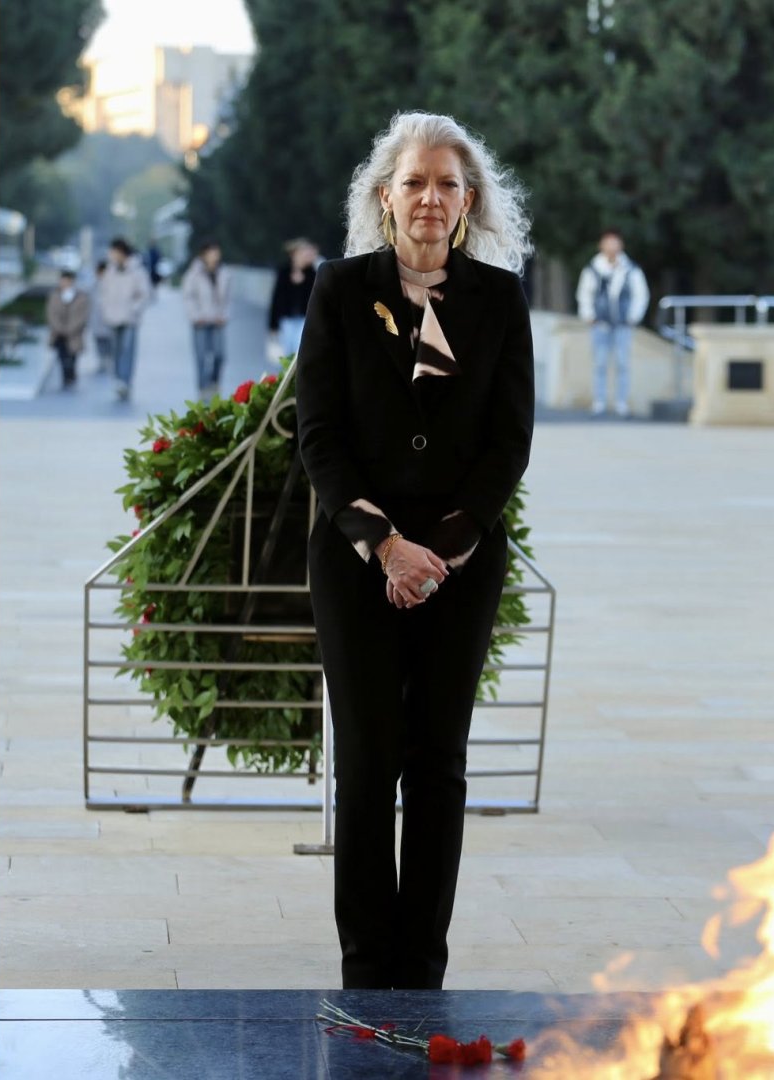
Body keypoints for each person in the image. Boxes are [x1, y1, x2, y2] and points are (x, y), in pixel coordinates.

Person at [295, 111, 534, 990]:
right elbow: (319, 435)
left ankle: (421, 973)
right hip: (357, 557)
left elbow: (508, 442)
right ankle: (366, 971)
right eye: (414, 182)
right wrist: (386, 545)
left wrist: (440, 549)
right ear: (384, 197)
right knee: (366, 762)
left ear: (468, 201)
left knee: (438, 764)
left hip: (459, 562)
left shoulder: (499, 298)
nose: (429, 198)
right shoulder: (338, 289)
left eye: (446, 184)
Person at [575, 229, 649, 417]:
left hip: (623, 324)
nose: (611, 246)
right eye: (608, 242)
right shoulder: (593, 268)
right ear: (601, 245)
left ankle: (621, 402)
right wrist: (588, 315)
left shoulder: (631, 269)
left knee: (623, 363)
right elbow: (584, 293)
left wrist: (633, 317)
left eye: (614, 242)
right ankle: (599, 401)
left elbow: (641, 295)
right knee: (599, 363)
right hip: (600, 324)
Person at [96, 238, 149, 401]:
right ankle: (118, 380)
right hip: (113, 317)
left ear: (121, 252)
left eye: (113, 251)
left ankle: (125, 382)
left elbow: (144, 294)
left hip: (130, 318)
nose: (111, 255)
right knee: (116, 350)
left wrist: (133, 310)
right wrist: (106, 310)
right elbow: (103, 292)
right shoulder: (110, 271)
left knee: (128, 350)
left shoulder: (137, 270)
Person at [181, 240, 232, 398]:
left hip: (218, 321)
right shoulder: (193, 274)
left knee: (220, 355)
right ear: (204, 255)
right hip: (200, 322)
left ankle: (214, 382)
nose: (215, 256)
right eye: (211, 252)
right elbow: (188, 297)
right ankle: (203, 387)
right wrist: (195, 316)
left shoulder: (224, 273)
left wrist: (224, 316)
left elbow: (228, 298)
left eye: (216, 252)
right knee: (201, 357)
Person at [267, 237, 319, 363]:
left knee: (299, 351)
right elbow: (276, 298)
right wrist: (272, 325)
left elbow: (314, 299)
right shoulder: (284, 272)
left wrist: (304, 281)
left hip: (304, 319)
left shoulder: (312, 273)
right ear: (293, 255)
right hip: (286, 319)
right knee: (286, 353)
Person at [45, 269, 90, 390]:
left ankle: (71, 375)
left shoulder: (81, 297)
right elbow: (51, 314)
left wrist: (71, 328)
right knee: (62, 356)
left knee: (72, 356)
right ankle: (65, 377)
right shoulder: (54, 295)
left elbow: (82, 315)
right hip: (58, 333)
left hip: (74, 333)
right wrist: (59, 327)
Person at [90, 259, 114, 374]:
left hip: (109, 320)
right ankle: (102, 362)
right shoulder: (94, 286)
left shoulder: (113, 285)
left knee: (109, 342)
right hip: (96, 320)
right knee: (99, 342)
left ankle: (108, 362)